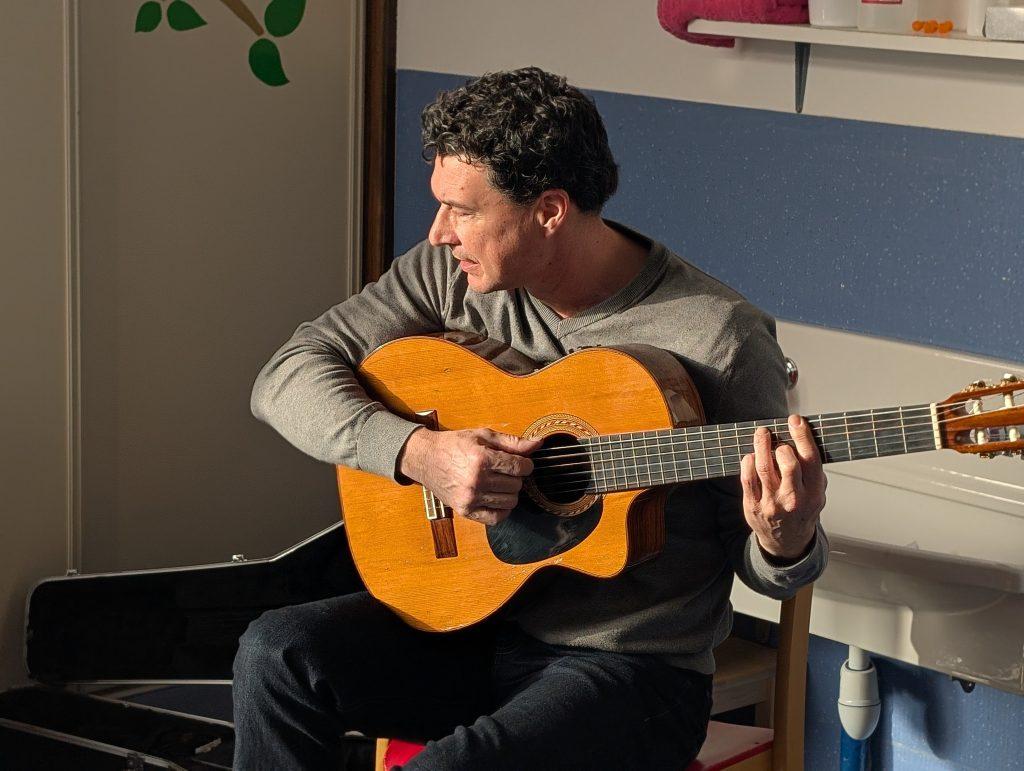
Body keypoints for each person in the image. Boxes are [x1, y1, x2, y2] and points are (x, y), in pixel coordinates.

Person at [234, 66, 828, 770]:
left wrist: (785, 539)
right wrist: (419, 452)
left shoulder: (719, 337)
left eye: (462, 210)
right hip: (470, 628)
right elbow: (284, 376)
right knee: (277, 653)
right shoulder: (449, 275)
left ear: (549, 210)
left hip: (629, 672)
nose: (438, 233)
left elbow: (759, 560)